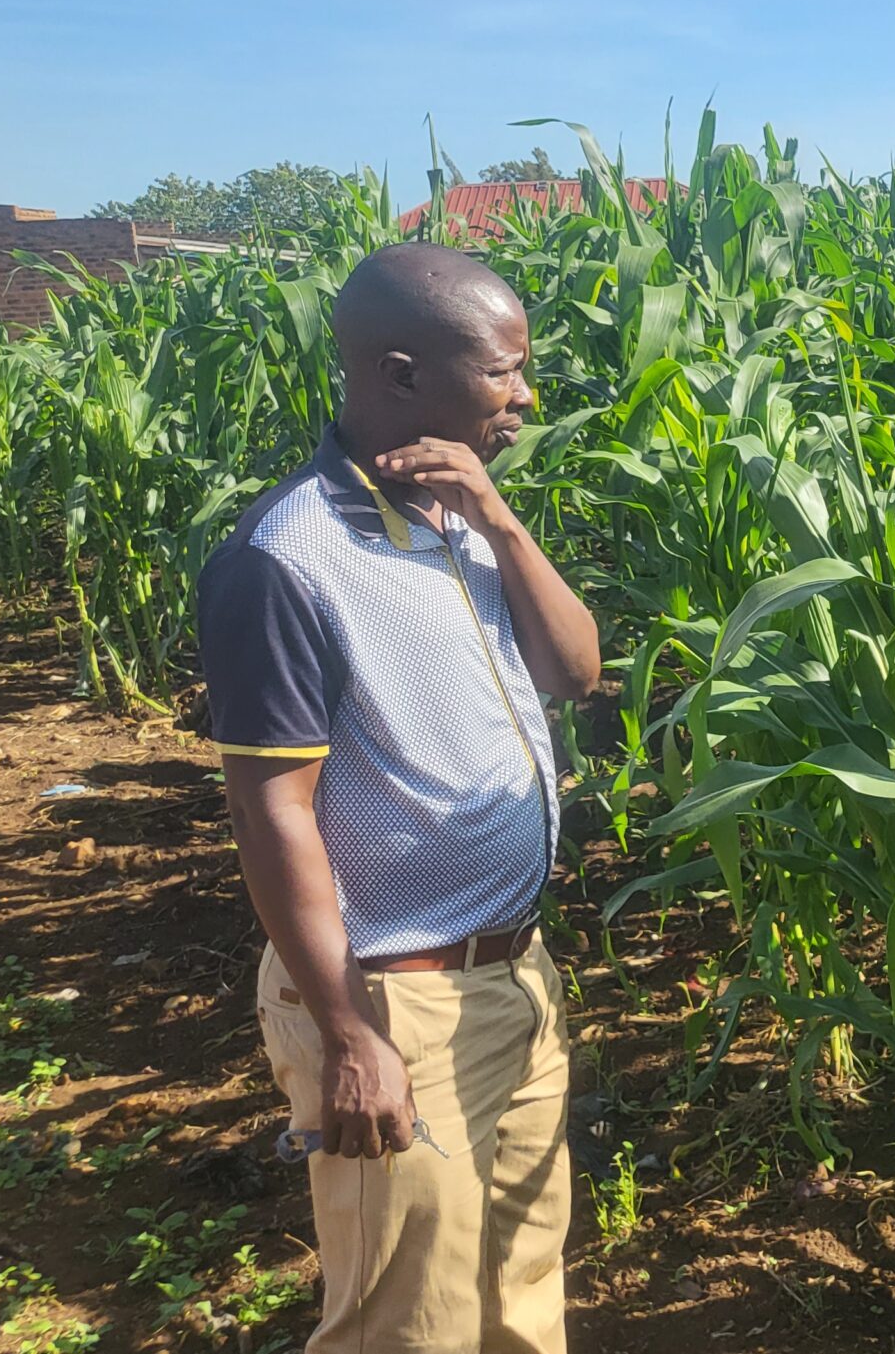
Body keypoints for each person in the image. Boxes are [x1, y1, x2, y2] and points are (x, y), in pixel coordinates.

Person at [198, 243, 601, 1354]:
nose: (525, 396)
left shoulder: (456, 505)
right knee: (408, 1324)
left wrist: (503, 519)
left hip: (511, 978)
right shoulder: (288, 559)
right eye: (502, 372)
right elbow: (271, 811)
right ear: (400, 371)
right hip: (393, 998)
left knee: (517, 1294)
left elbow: (573, 671)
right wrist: (348, 1034)